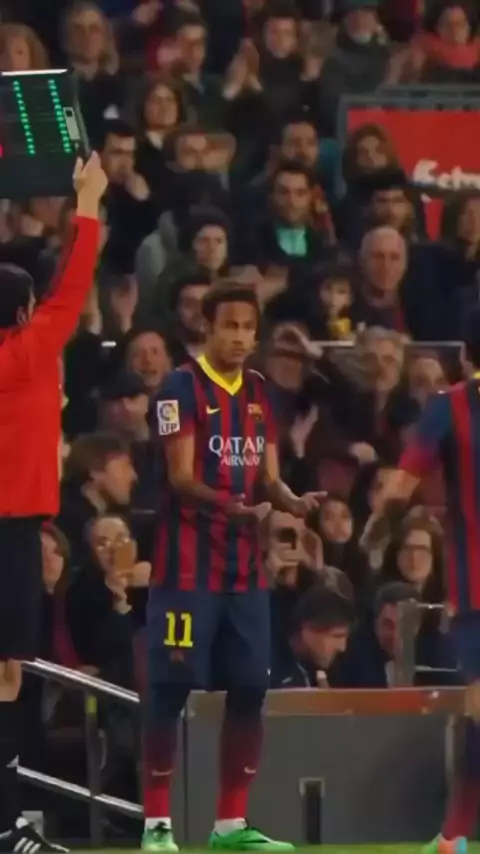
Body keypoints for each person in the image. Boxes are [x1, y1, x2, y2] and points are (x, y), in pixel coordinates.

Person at [142, 284, 323, 852]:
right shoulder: (179, 388)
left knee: (249, 688)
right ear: (208, 327)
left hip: (244, 571)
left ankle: (229, 826)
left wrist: (291, 500)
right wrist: (233, 508)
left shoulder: (259, 391)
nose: (241, 337)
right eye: (230, 326)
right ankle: (157, 827)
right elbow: (179, 477)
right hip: (186, 569)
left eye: (248, 327)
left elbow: (267, 475)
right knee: (170, 690)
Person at [0, 152, 107, 852]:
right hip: (10, 530)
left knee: (7, 674)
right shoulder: (29, 349)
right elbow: (75, 283)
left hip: (14, 527)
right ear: (23, 312)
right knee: (7, 676)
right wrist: (88, 202)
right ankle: (5, 825)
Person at [361, 306, 480, 854]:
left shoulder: (448, 408)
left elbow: (397, 491)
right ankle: (454, 833)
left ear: (464, 355)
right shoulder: (448, 408)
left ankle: (454, 834)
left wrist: (373, 534)